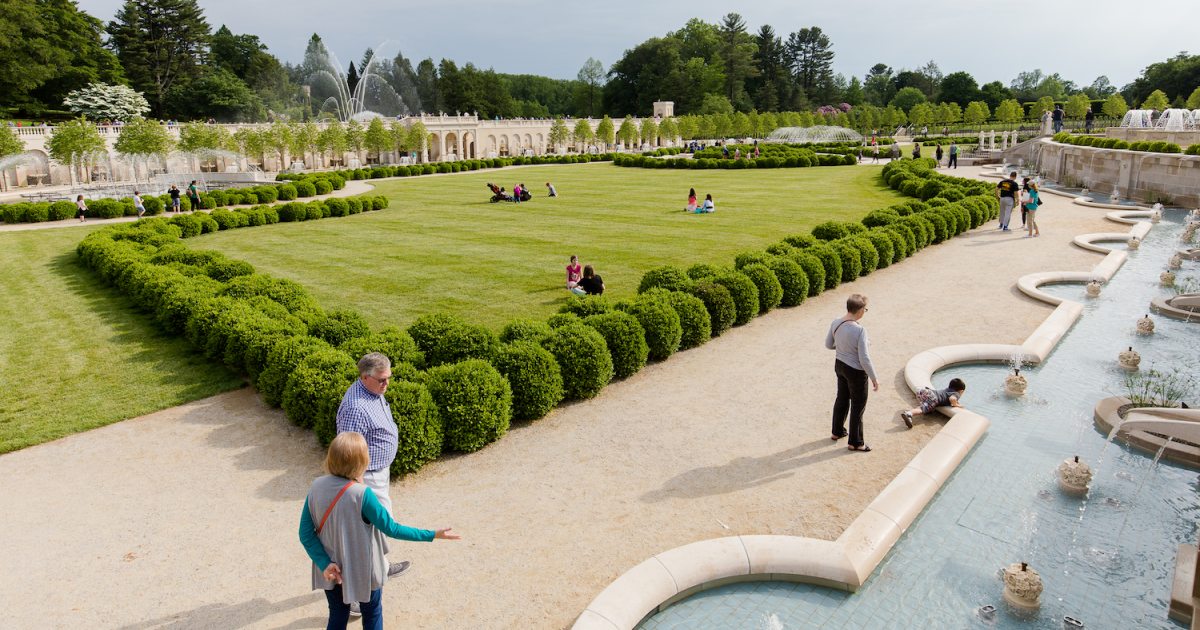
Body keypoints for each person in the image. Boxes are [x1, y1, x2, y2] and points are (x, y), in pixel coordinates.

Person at [299, 432, 459, 630]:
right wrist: (432, 534)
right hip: (364, 571)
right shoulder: (363, 494)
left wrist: (325, 563)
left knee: (338, 615)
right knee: (372, 613)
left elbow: (305, 534)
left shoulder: (316, 486)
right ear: (361, 463)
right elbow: (392, 529)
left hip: (333, 572)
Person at [335, 353, 414, 614]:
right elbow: (348, 453)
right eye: (381, 380)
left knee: (379, 531)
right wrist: (358, 488)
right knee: (366, 536)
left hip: (379, 473)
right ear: (365, 377)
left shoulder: (371, 392)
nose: (386, 384)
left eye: (389, 378)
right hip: (365, 478)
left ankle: (381, 567)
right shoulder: (355, 407)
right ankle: (355, 598)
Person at [825, 294, 878, 452]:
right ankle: (855, 442)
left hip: (839, 365)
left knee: (841, 398)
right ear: (860, 310)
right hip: (856, 371)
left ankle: (837, 431)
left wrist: (842, 349)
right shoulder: (860, 330)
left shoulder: (836, 322)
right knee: (858, 405)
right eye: (865, 309)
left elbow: (828, 344)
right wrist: (874, 378)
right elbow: (864, 358)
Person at [900, 378, 966, 428]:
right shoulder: (956, 394)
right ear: (961, 391)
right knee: (922, 409)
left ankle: (920, 409)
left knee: (925, 406)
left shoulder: (947, 390)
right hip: (933, 398)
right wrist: (956, 405)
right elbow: (952, 399)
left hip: (924, 391)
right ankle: (909, 414)